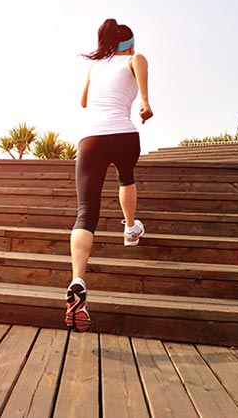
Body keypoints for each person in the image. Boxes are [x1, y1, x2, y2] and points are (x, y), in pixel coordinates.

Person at [65, 18, 154, 332]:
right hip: (124, 135)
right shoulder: (135, 59)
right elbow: (143, 97)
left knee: (85, 212)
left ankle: (78, 279)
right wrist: (143, 105)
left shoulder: (94, 67)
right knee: (126, 177)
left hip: (91, 139)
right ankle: (130, 229)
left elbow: (83, 101)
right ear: (129, 44)